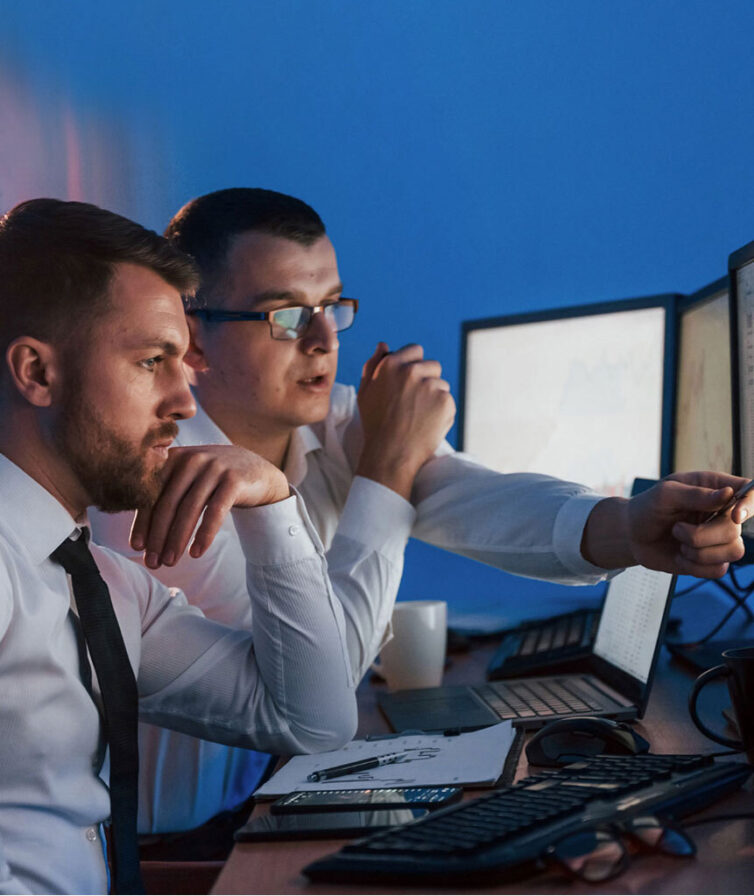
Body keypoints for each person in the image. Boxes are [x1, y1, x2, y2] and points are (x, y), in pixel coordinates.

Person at [92, 187, 750, 844]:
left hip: (261, 797)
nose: (324, 340)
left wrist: (632, 526)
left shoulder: (339, 420)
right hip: (178, 853)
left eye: (332, 306)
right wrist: (387, 465)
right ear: (193, 338)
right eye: (287, 316)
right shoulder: (164, 480)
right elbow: (317, 694)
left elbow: (474, 499)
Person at [0, 198, 363, 896]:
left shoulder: (103, 586)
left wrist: (272, 507)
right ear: (37, 373)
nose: (185, 402)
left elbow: (312, 720)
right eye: (151, 361)